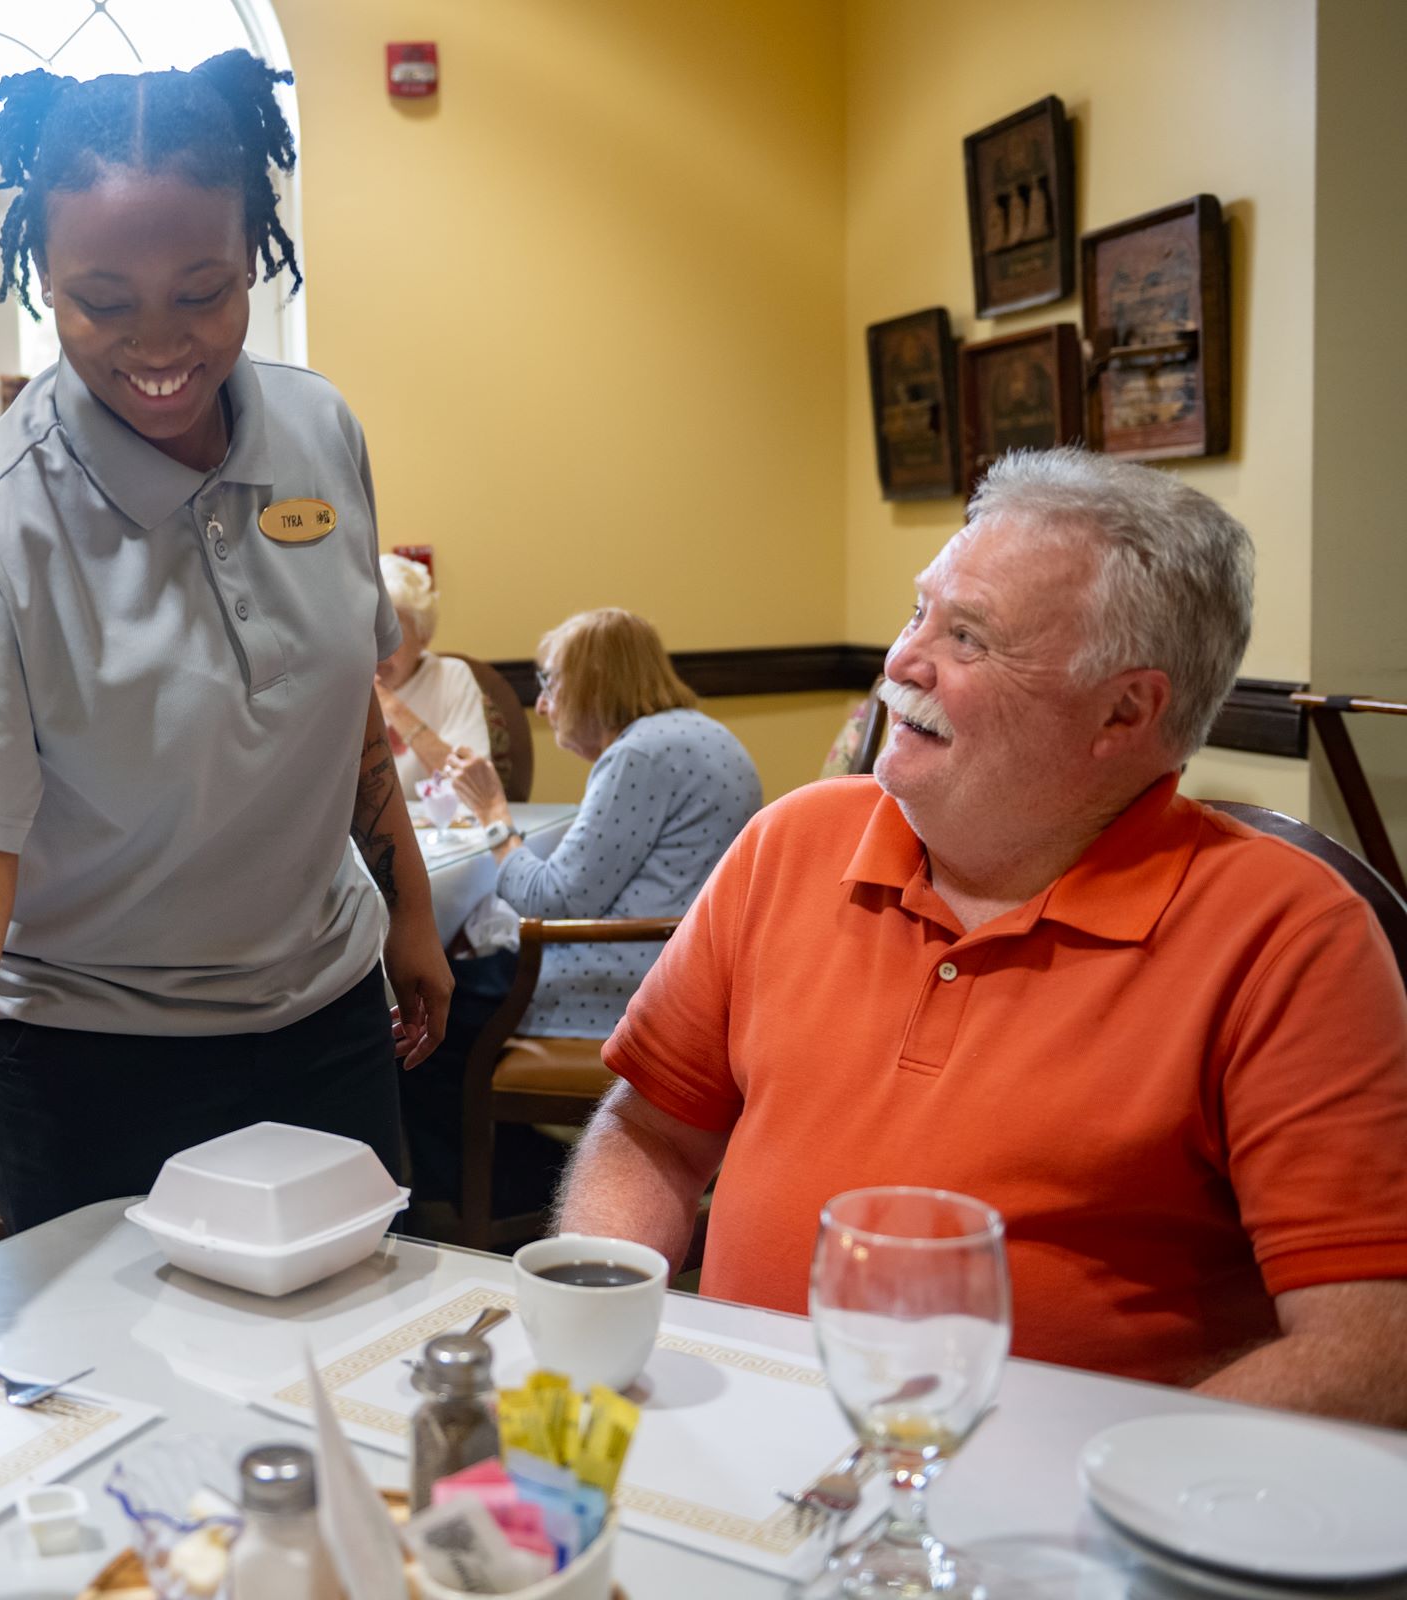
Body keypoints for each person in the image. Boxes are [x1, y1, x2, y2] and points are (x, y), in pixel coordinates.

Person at [556, 448, 1407, 1421]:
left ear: (1125, 710)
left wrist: (1092, 1500)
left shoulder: (1285, 934)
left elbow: (1374, 1342)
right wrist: (605, 1333)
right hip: (743, 1452)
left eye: (969, 638)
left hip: (1070, 1531)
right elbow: (650, 1131)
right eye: (919, 610)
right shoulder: (792, 843)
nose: (901, 662)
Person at [0, 52, 451, 1233]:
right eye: (102, 301)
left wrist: (405, 906)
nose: (158, 343)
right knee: (125, 1405)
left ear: (256, 259)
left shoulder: (319, 429)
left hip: (326, 1024)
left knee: (348, 1380)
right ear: (45, 281)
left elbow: (340, 701)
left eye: (205, 289)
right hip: (88, 1068)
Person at [401, 608, 758, 1219]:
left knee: (427, 1014)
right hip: (672, 967)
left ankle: (485, 1200)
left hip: (626, 983)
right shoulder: (690, 733)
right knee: (464, 982)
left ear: (595, 681)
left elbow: (551, 900)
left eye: (551, 683)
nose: (544, 705)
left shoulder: (639, 755)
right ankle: (512, 1185)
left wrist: (492, 812)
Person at [374, 552, 491, 795]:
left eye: (392, 633)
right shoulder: (341, 686)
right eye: (368, 630)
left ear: (424, 637)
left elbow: (472, 786)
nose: (377, 647)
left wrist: (389, 704)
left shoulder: (450, 677)